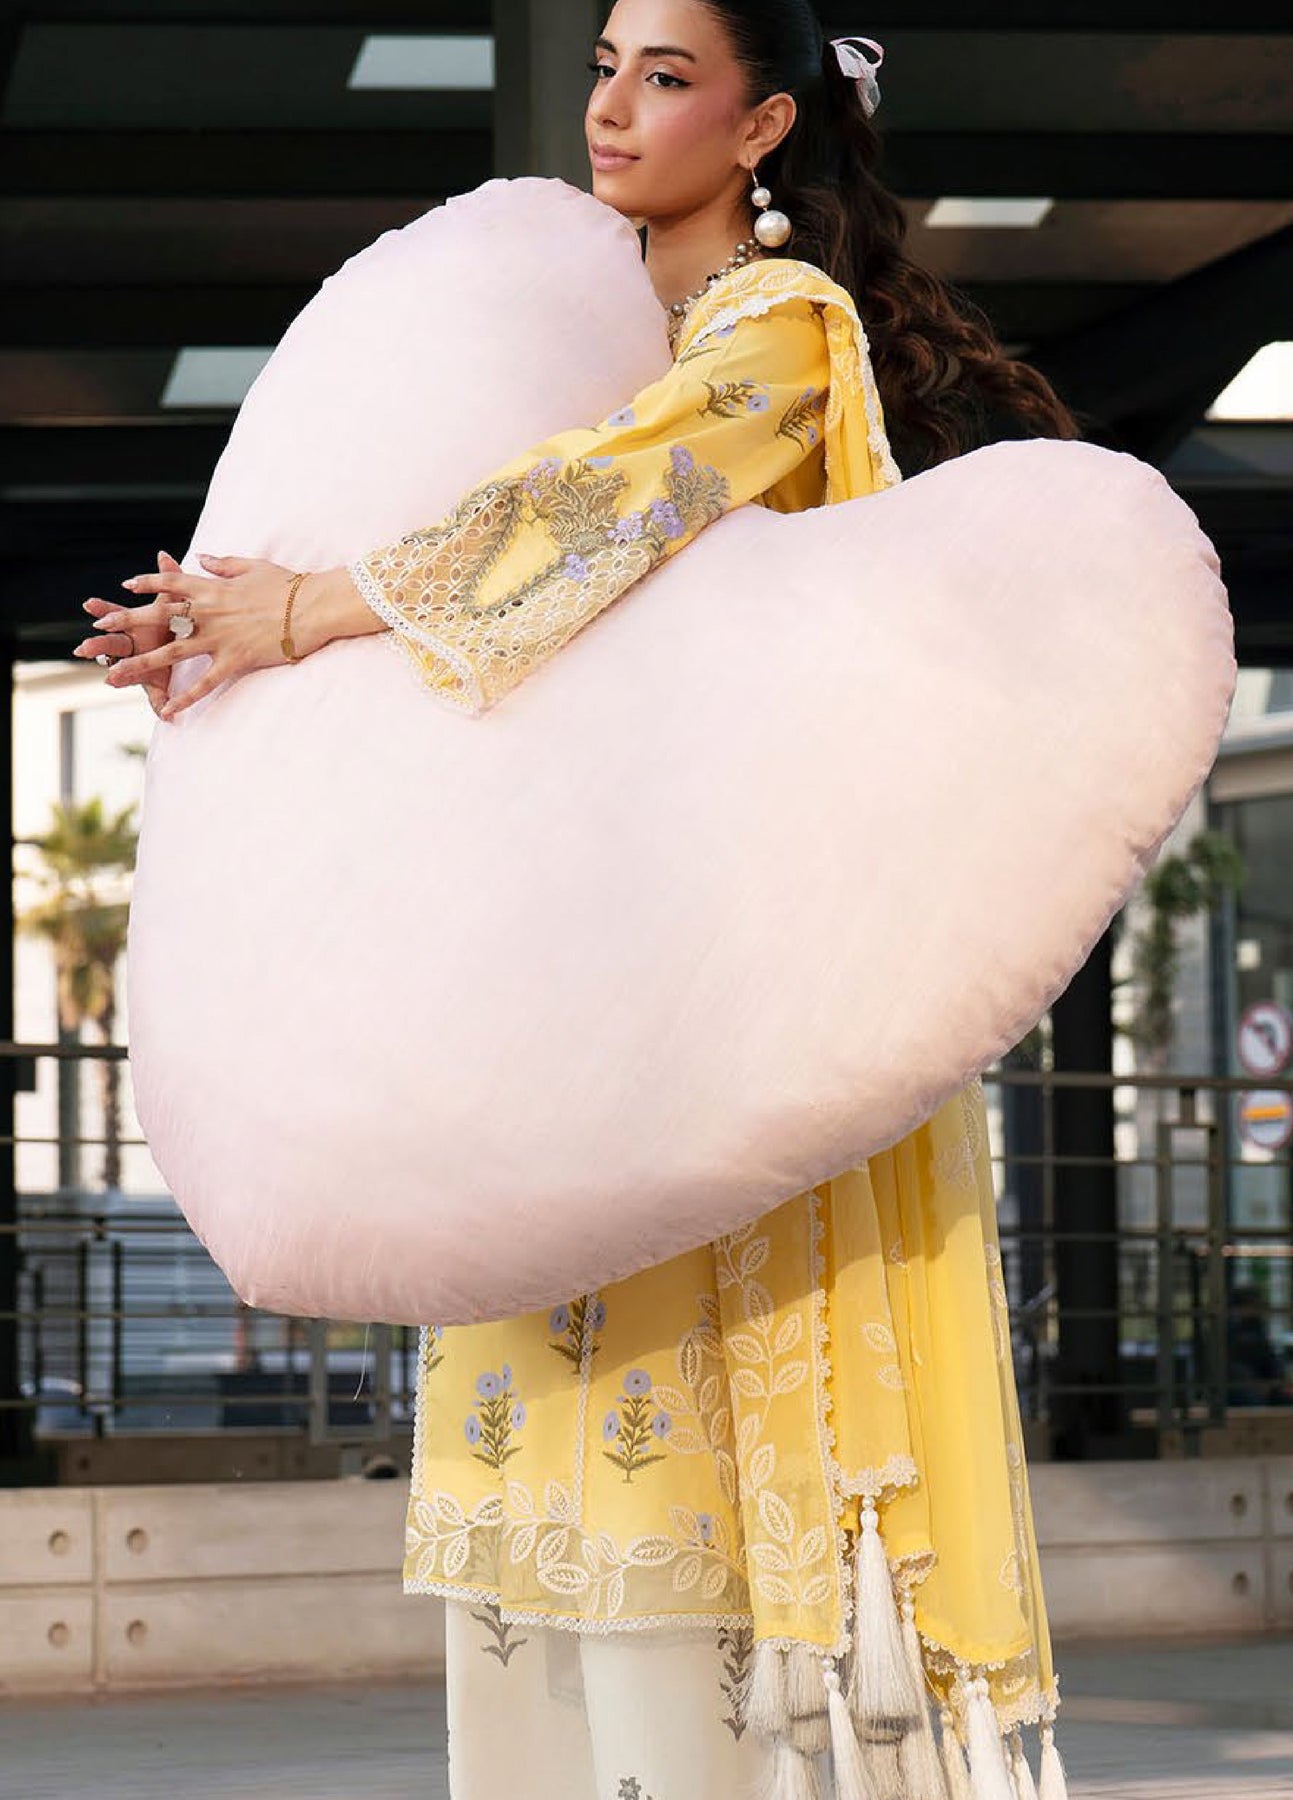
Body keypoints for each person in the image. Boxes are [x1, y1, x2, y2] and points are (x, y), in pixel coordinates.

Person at [77, 3, 1080, 1794]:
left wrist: (302, 610)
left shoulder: (775, 327)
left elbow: (598, 507)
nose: (613, 107)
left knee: (682, 1493)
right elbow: (463, 529)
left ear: (763, 127)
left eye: (666, 77)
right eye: (606, 64)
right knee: (541, 1501)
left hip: (692, 986)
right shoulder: (555, 328)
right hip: (559, 980)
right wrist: (225, 629)